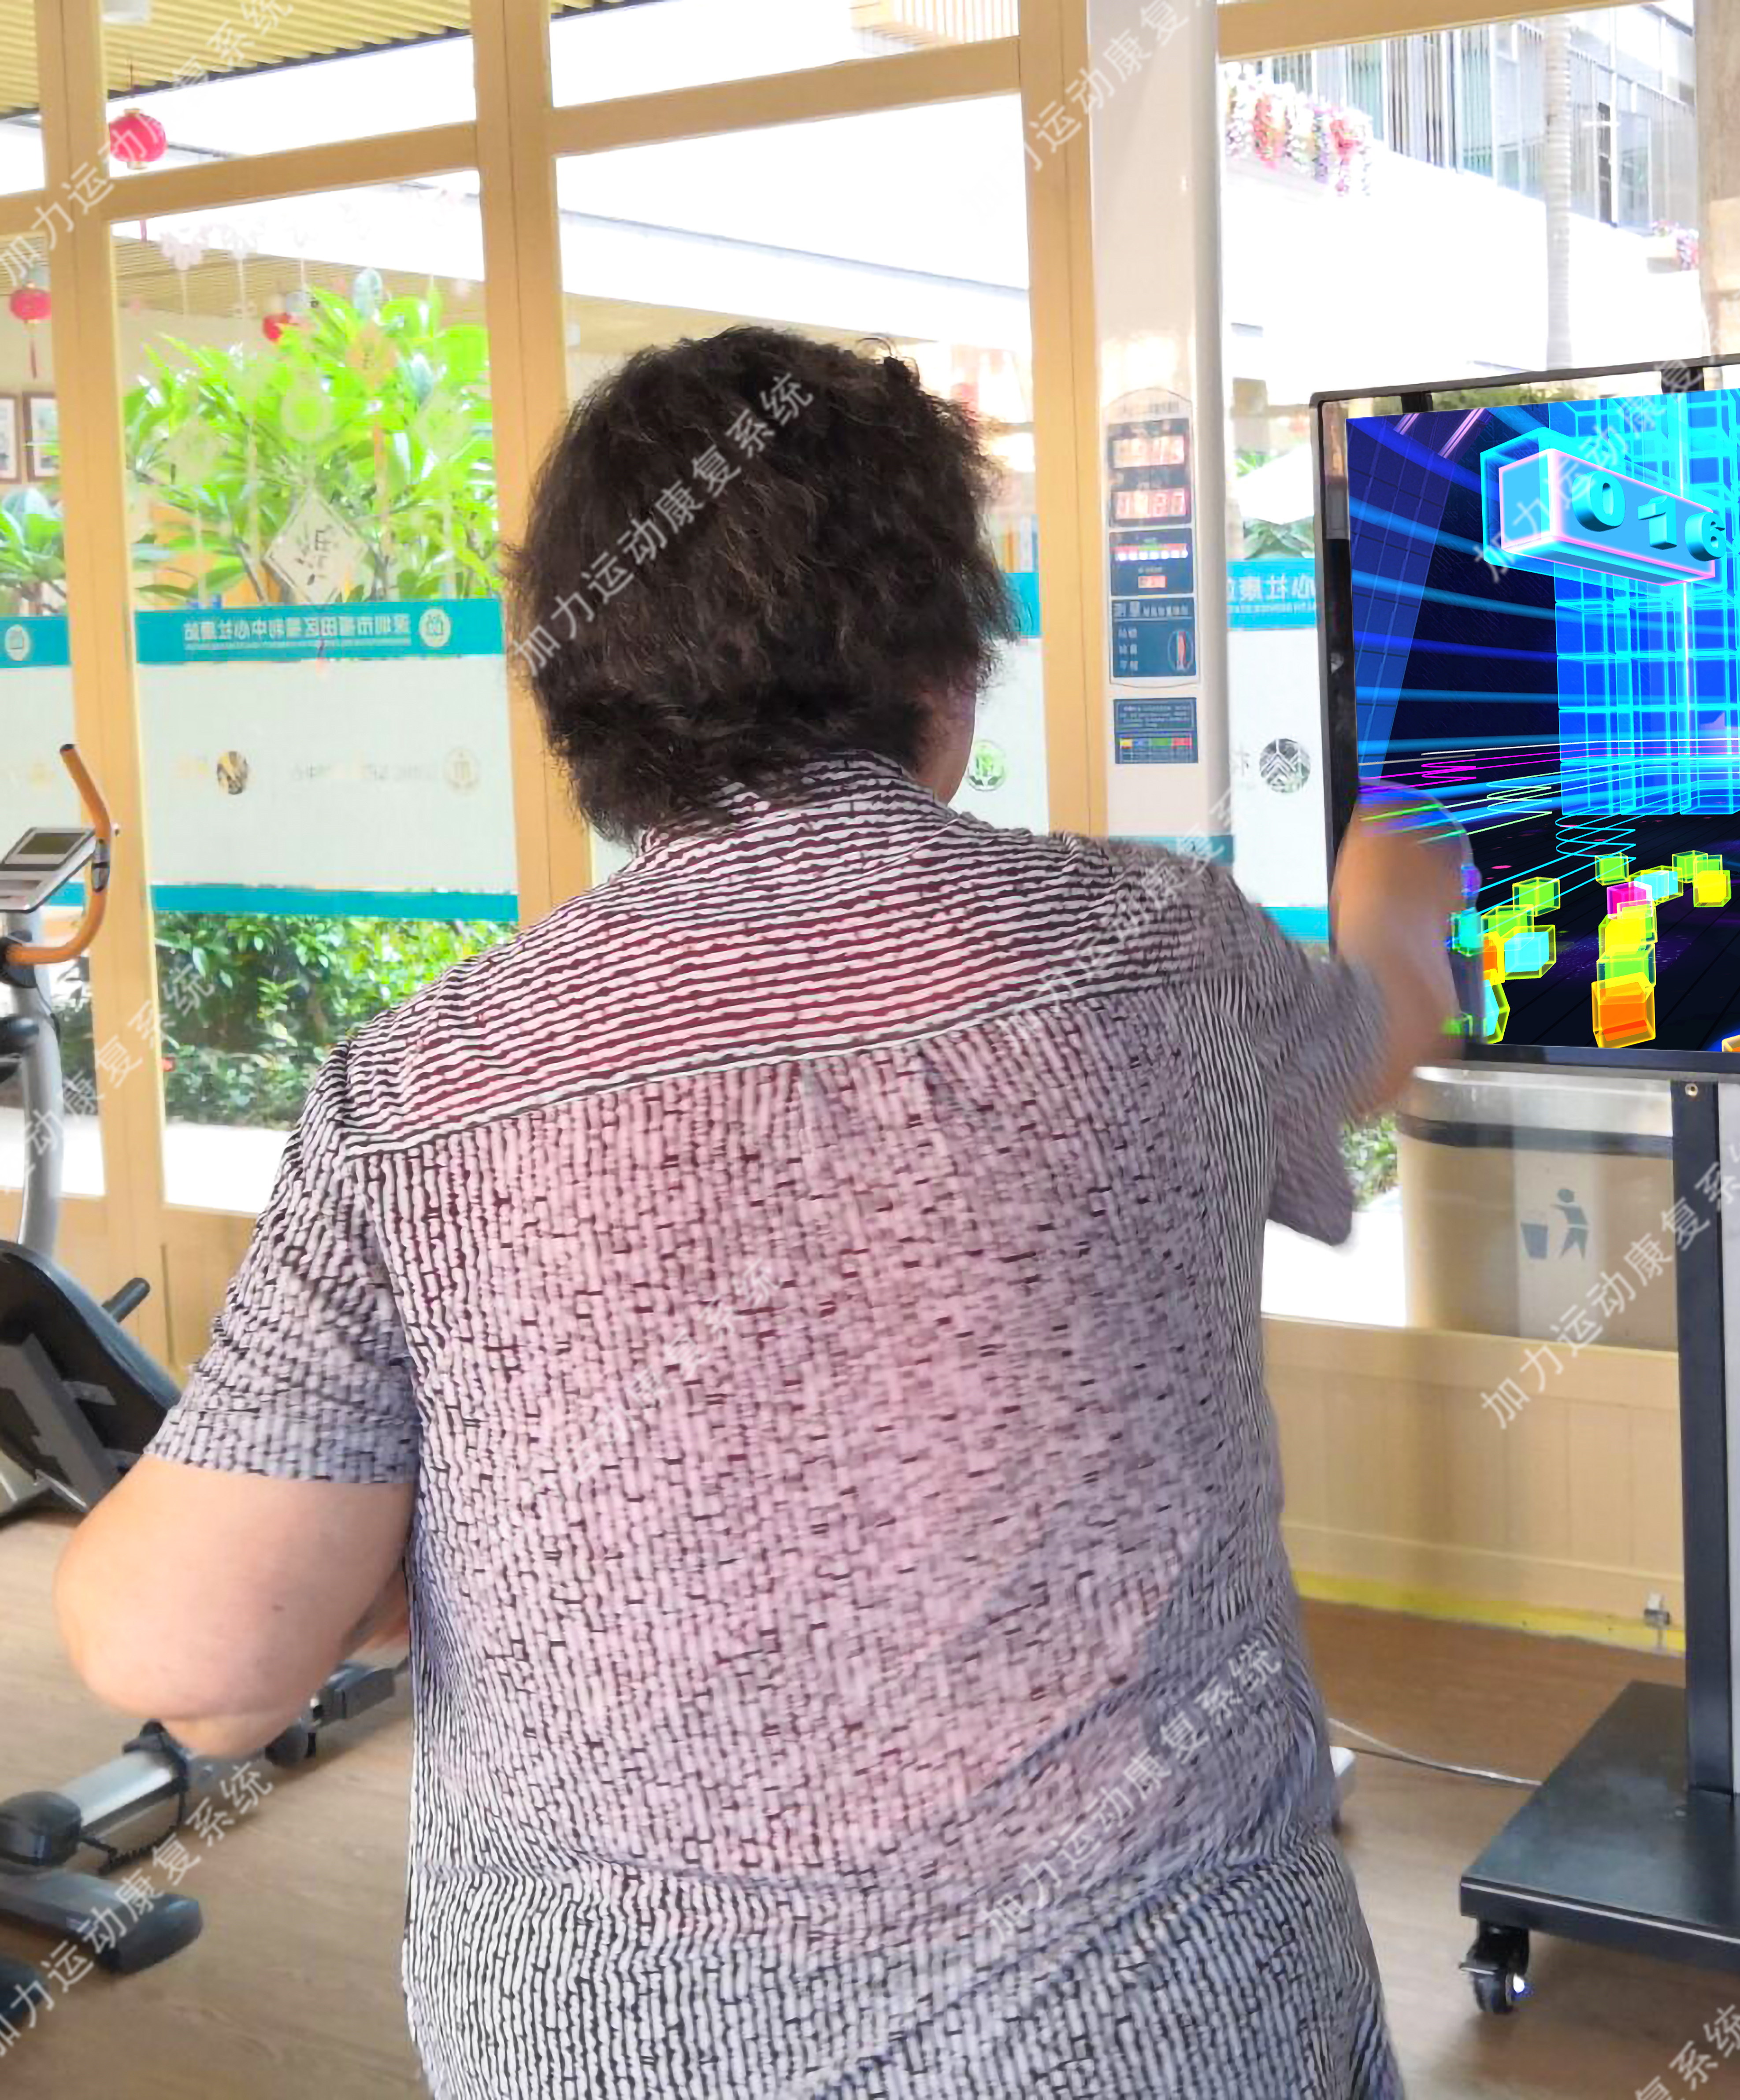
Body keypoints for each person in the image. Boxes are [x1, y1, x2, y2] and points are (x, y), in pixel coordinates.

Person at [52, 327, 1466, 2098]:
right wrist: (1403, 875)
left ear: (582, 699)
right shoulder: (1155, 957)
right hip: (1169, 2032)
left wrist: (427, 1549)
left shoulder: (420, 1093)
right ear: (946, 668)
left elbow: (197, 1664)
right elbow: (1380, 1033)